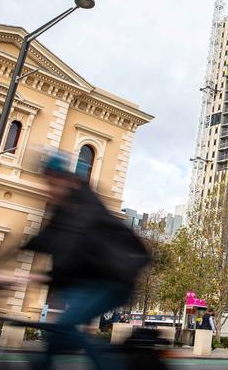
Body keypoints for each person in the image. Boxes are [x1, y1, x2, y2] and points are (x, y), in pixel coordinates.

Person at [23, 151, 150, 370]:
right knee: (57, 335)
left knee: (65, 325)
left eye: (53, 182)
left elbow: (70, 247)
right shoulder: (61, 212)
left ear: (68, 181)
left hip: (113, 281)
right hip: (88, 282)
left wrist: (44, 277)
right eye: (47, 183)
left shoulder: (86, 208)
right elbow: (38, 240)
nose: (48, 189)